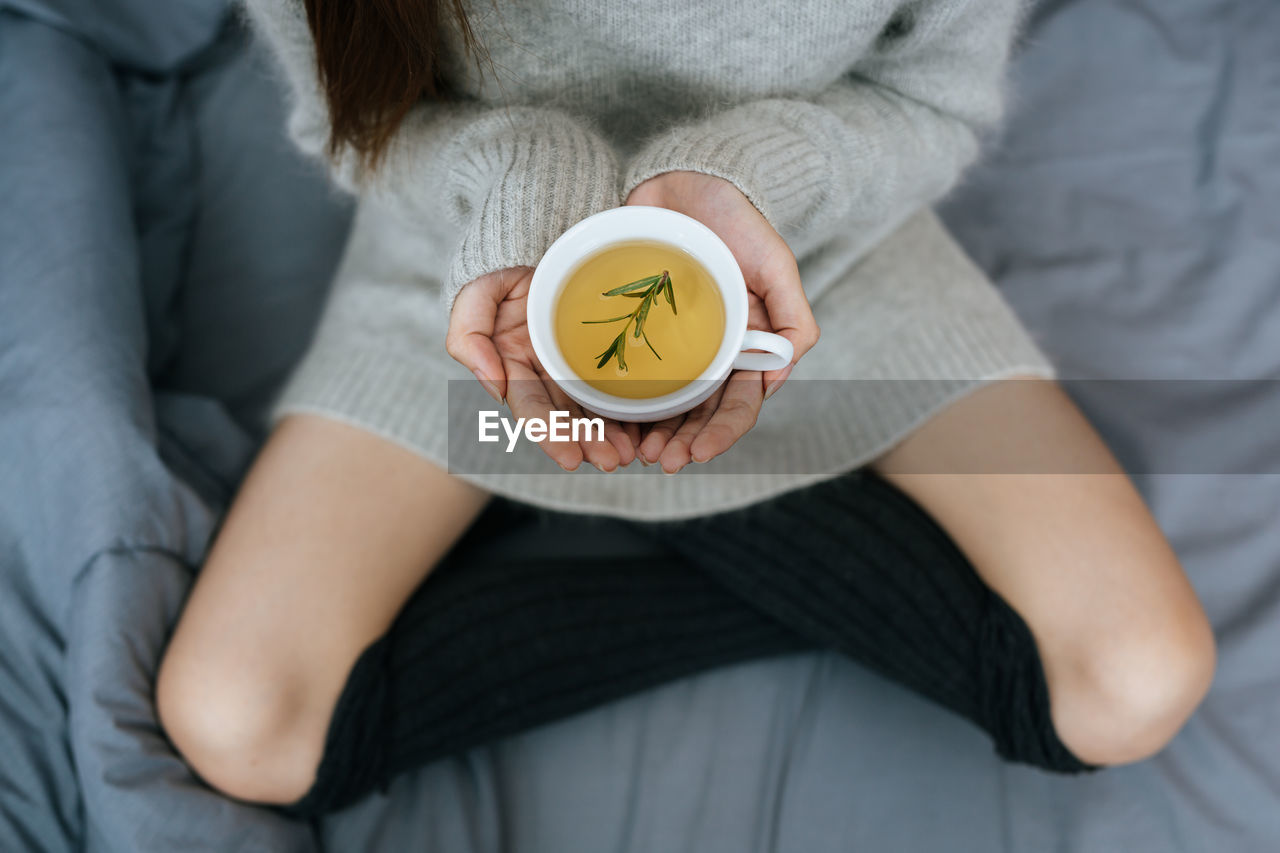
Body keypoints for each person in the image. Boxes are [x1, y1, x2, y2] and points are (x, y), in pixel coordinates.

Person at [154, 0, 1216, 815]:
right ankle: (719, 516)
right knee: (244, 725)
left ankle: (600, 500)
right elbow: (350, 123)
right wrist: (523, 167)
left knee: (1129, 683)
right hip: (478, 270)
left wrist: (745, 177)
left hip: (816, 266)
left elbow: (932, 102)